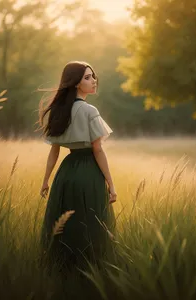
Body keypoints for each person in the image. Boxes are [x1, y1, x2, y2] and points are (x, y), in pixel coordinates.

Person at [38, 61, 116, 270]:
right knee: (90, 221)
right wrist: (111, 183)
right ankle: (91, 267)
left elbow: (54, 150)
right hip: (89, 171)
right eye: (87, 77)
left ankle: (64, 268)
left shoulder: (59, 110)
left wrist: (46, 180)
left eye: (93, 76)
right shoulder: (90, 110)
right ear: (75, 83)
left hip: (66, 172)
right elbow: (97, 150)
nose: (93, 81)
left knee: (66, 223)